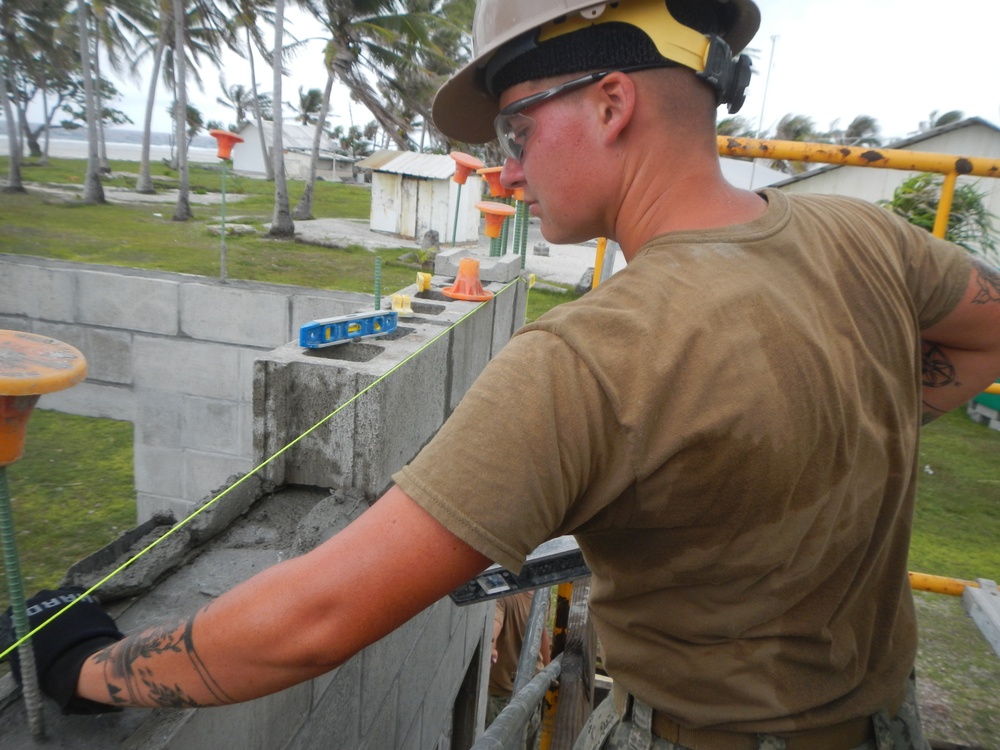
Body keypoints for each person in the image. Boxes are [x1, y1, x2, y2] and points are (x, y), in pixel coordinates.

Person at [6, 1, 1000, 748]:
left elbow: (315, 618)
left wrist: (88, 665)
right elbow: (983, 339)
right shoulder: (866, 237)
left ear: (612, 101)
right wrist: (839, 419)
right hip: (882, 718)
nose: (508, 172)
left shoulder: (593, 357)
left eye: (516, 131)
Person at [487, 591, 551, 748]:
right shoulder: (504, 596)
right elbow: (495, 624)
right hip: (504, 700)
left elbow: (541, 633)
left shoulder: (542, 592)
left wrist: (548, 674)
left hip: (533, 692)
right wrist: (491, 647)